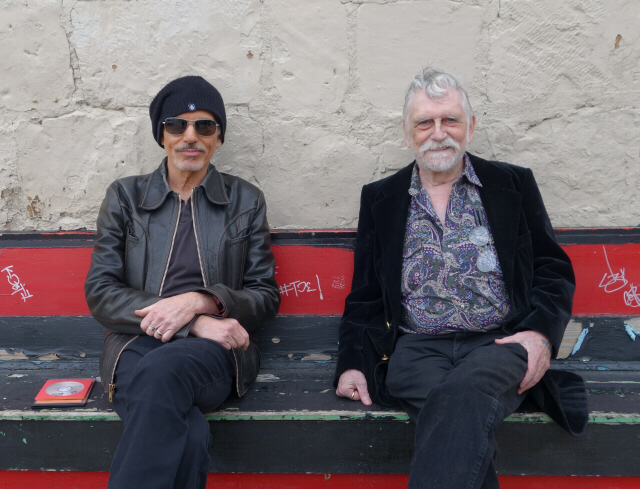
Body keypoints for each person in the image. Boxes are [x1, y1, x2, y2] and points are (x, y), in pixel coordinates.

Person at [334, 67, 588, 489]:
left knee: (456, 398)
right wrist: (352, 364)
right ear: (407, 131)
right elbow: (366, 296)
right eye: (425, 122)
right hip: (415, 349)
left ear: (470, 126)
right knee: (459, 408)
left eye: (450, 120)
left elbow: (552, 269)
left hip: (500, 342)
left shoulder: (513, 184)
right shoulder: (381, 198)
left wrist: (541, 336)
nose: (439, 133)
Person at [85, 75, 280, 489]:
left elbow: (264, 296)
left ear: (218, 138)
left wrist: (200, 302)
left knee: (162, 371)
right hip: (134, 344)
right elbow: (101, 292)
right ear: (162, 136)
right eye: (177, 125)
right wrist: (193, 321)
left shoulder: (246, 200)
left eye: (204, 126)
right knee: (189, 433)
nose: (190, 136)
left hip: (213, 353)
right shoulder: (125, 197)